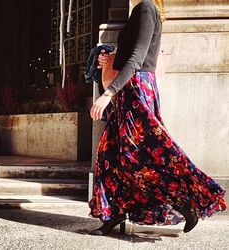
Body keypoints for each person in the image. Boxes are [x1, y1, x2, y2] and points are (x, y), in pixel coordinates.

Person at [88, 0, 227, 236]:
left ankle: (184, 202)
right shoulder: (141, 10)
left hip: (136, 90)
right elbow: (130, 55)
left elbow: (137, 59)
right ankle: (114, 213)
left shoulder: (145, 8)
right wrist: (109, 56)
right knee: (110, 152)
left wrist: (107, 94)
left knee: (140, 156)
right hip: (129, 91)